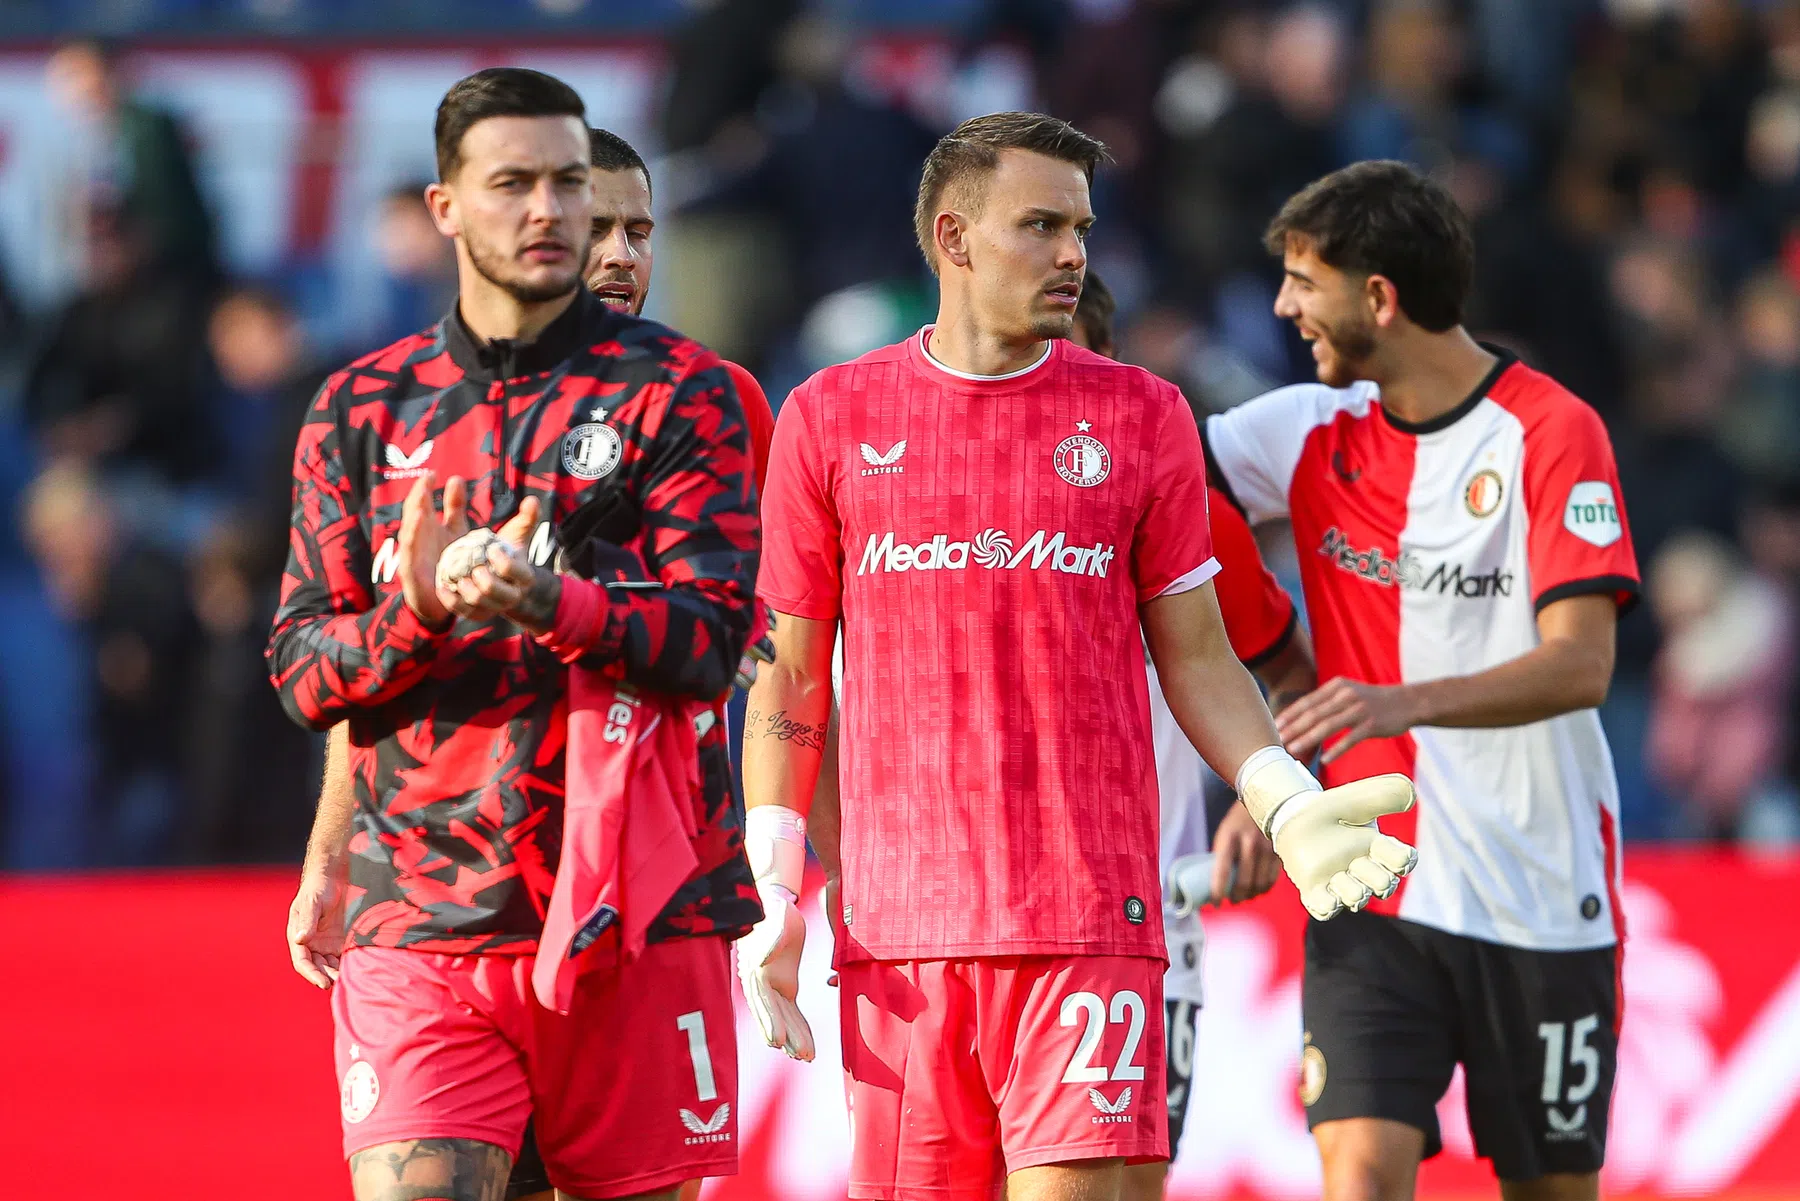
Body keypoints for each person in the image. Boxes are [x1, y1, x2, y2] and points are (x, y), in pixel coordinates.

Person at [740, 111, 1418, 1201]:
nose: (1073, 254)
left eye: (1083, 229)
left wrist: (1284, 798)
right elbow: (792, 673)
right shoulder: (828, 417)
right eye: (1041, 225)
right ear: (953, 240)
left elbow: (1201, 656)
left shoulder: (1142, 415)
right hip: (897, 938)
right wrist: (778, 876)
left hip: (1088, 924)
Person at [266, 69, 761, 1201]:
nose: (551, 211)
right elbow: (304, 669)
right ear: (446, 207)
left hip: (640, 911)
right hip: (424, 915)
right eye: (514, 183)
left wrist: (554, 603)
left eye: (569, 184)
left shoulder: (685, 393)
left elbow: (716, 642)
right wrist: (424, 608)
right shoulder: (361, 409)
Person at [1202, 160, 1639, 1201]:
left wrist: (1400, 701)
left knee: (1551, 1189)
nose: (1284, 304)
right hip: (1371, 874)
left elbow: (1584, 660)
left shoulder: (1549, 431)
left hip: (1540, 889)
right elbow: (1153, 490)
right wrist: (1273, 735)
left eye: (1305, 279)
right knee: (1359, 1169)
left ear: (1380, 298)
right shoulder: (1302, 427)